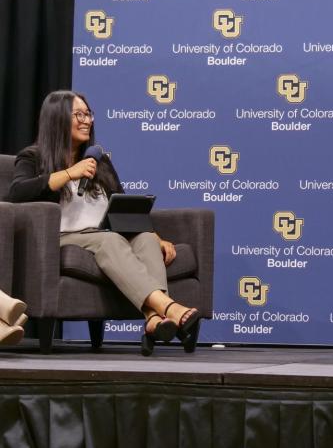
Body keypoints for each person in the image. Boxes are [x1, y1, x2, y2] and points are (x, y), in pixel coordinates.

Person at [7, 90, 199, 356]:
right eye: (79, 114)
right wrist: (67, 174)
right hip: (63, 237)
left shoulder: (99, 160)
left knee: (142, 239)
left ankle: (155, 320)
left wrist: (155, 236)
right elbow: (17, 193)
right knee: (110, 240)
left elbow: (122, 206)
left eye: (89, 114)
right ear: (57, 118)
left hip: (102, 234)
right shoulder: (33, 157)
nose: (87, 120)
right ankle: (170, 307)